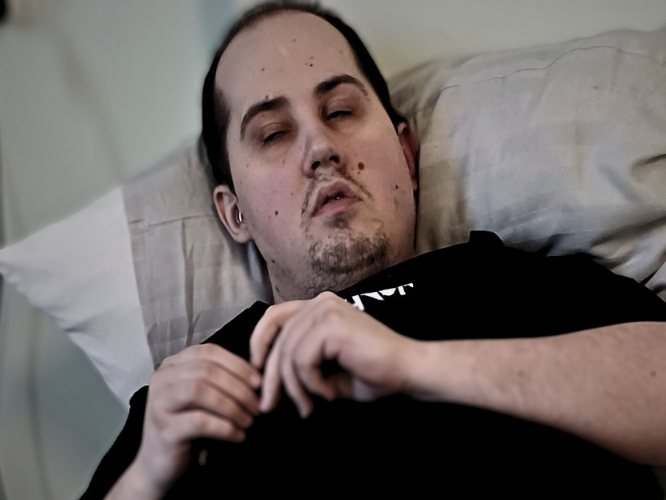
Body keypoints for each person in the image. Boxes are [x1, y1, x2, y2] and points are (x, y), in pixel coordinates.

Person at [82, 2, 666, 499]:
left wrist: (414, 364)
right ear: (235, 214)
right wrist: (147, 476)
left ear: (407, 156)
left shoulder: (519, 284)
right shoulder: (189, 399)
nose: (319, 148)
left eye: (339, 111)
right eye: (274, 134)